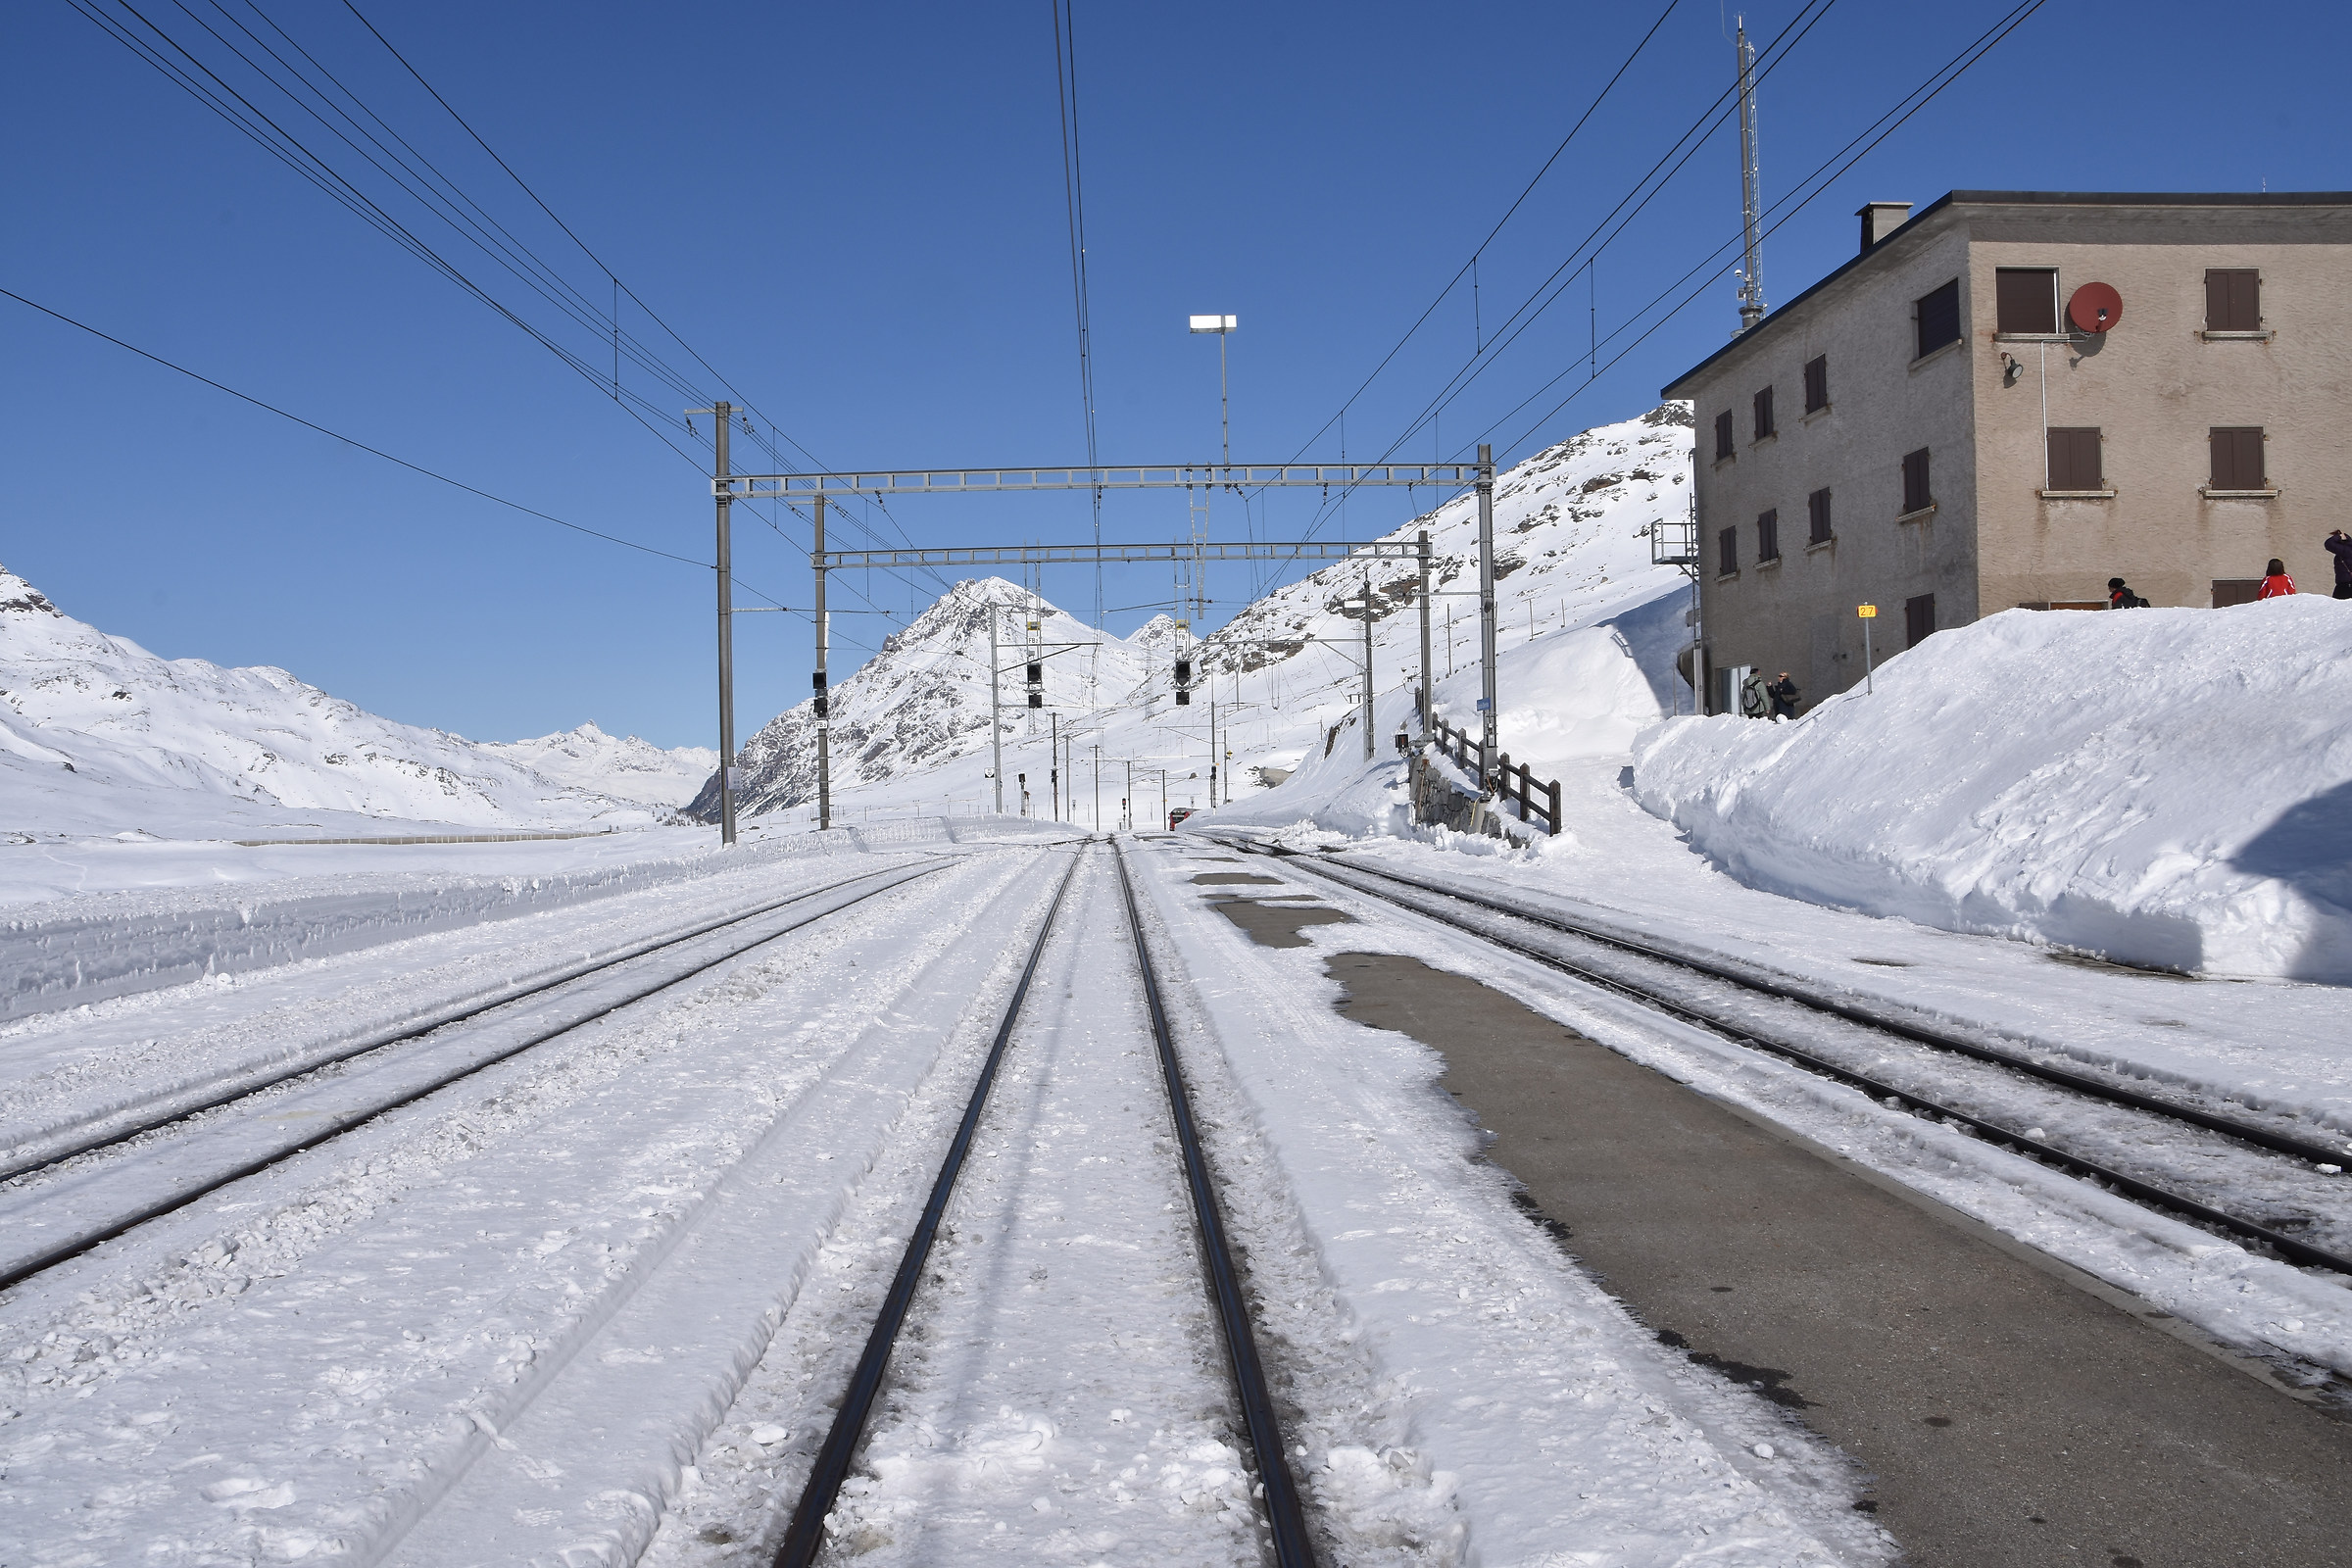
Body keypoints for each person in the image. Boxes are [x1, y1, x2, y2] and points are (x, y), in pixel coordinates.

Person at [2329, 531, 2352, 601]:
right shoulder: (2345, 551)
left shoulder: (2346, 550)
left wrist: (2339, 536)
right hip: (2345, 584)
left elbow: (2328, 544)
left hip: (2346, 585)